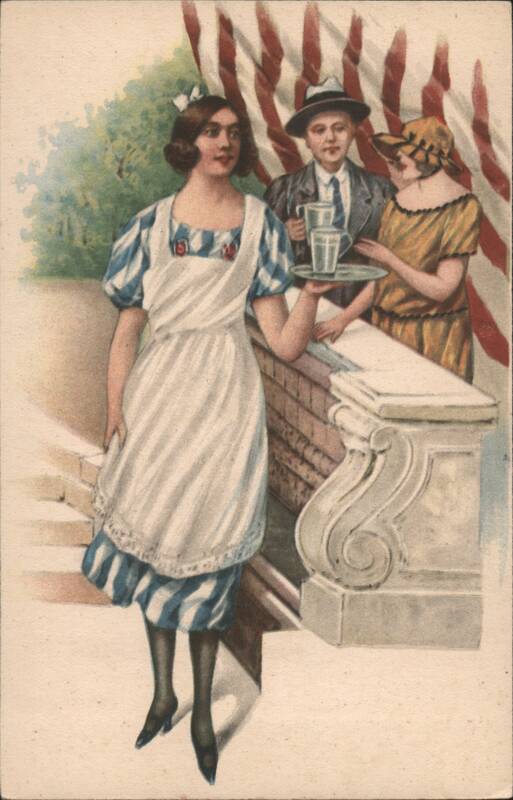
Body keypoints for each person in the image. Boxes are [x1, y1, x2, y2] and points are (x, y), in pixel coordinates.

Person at [81, 94, 338, 784]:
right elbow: (127, 331)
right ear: (187, 142)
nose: (223, 143)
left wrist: (309, 295)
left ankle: (200, 713)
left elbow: (283, 345)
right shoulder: (150, 225)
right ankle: (163, 692)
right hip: (160, 396)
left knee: (208, 552)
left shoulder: (259, 225)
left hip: (226, 400)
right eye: (209, 131)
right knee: (156, 536)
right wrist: (116, 414)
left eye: (232, 132)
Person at [314, 117, 483, 383]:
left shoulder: (462, 207)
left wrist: (390, 258)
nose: (398, 158)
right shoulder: (397, 204)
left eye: (406, 152)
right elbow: (381, 282)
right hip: (387, 329)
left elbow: (443, 289)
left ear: (427, 158)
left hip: (436, 337)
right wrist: (343, 319)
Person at [264, 76, 394, 310]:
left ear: (353, 131)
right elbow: (260, 260)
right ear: (306, 139)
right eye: (319, 130)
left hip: (366, 314)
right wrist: (283, 234)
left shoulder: (380, 190)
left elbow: (398, 258)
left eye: (339, 128)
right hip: (301, 311)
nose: (330, 138)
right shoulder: (283, 191)